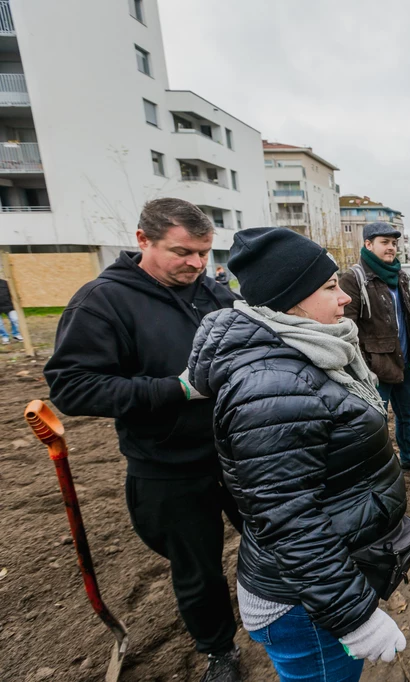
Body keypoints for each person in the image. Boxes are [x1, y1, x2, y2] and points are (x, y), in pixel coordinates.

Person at [189, 227, 410, 681]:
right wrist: (356, 616)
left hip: (314, 588)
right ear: (289, 300)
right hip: (301, 605)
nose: (344, 298)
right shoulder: (272, 385)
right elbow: (289, 519)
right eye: (330, 287)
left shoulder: (309, 353)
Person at [43, 198, 243, 682]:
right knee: (197, 569)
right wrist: (176, 389)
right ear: (142, 241)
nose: (196, 264)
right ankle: (219, 651)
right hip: (168, 464)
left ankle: (287, 612)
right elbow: (71, 386)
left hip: (238, 453)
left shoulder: (213, 294)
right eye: (183, 252)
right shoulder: (102, 301)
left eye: (204, 252)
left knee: (280, 537)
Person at [339, 222, 410, 474]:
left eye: (394, 243)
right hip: (375, 369)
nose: (391, 248)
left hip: (405, 363)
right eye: (385, 242)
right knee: (374, 421)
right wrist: (363, 367)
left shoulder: (401, 277)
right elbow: (347, 327)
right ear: (368, 245)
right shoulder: (354, 279)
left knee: (409, 413)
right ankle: (378, 468)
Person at [0, 277, 23, 344]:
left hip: (8, 305)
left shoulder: (5, 283)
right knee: (0, 325)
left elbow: (12, 292)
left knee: (15, 319)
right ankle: (5, 336)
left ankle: (16, 334)